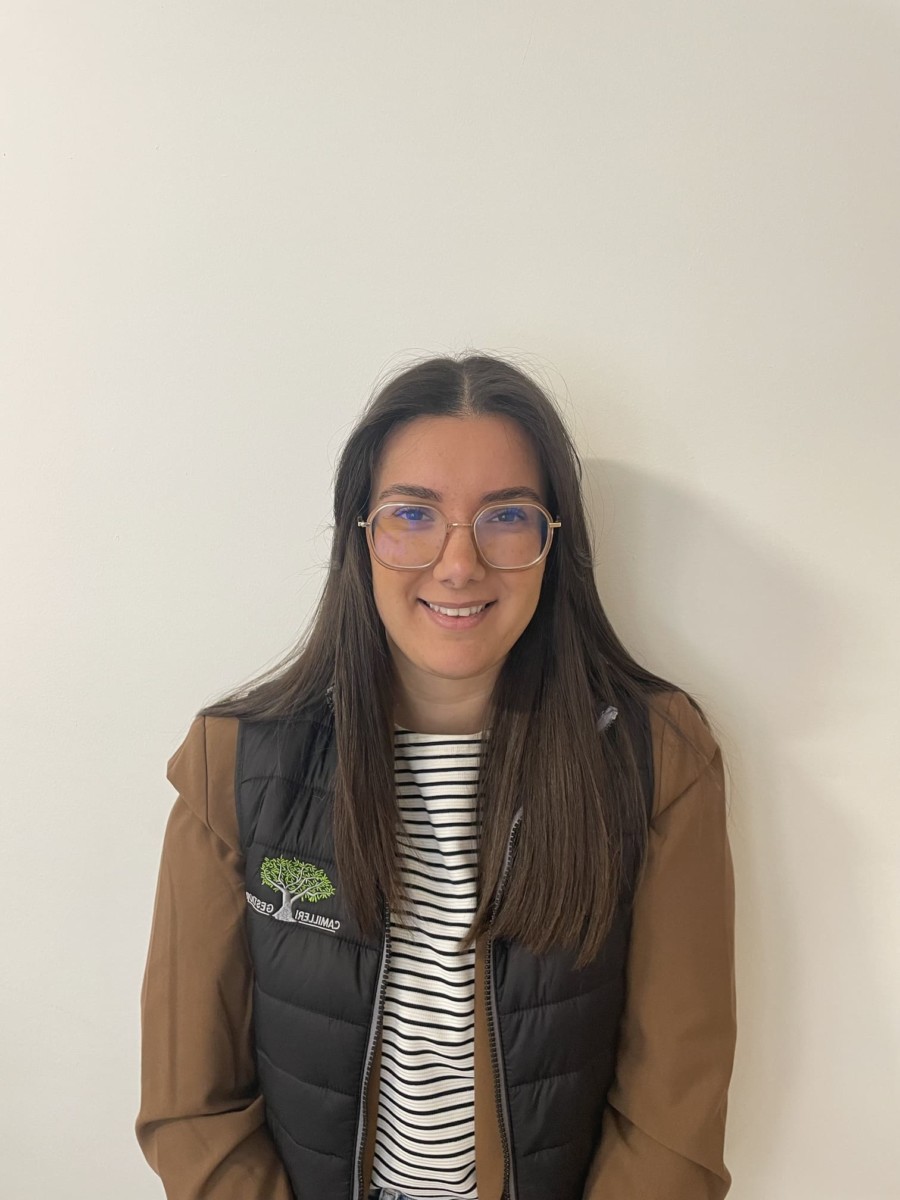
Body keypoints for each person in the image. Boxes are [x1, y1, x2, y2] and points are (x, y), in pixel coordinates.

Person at [136, 353, 736, 1200]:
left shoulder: (659, 758)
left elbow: (673, 1121)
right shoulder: (232, 764)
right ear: (361, 538)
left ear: (554, 542)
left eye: (507, 516)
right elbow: (191, 1110)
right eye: (412, 514)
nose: (459, 564)